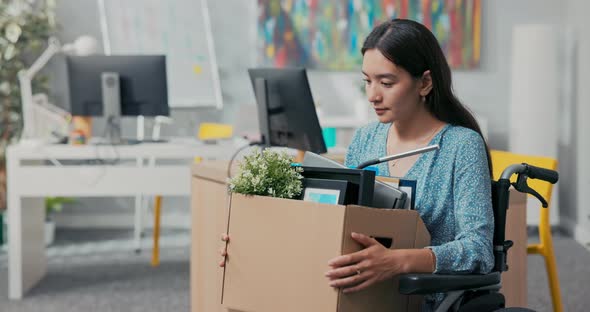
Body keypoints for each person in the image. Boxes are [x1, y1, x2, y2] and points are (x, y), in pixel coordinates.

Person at [221, 18, 493, 311]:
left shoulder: (461, 146)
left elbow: (478, 249)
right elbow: (335, 225)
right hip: (359, 292)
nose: (373, 95)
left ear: (424, 82)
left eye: (386, 83)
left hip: (422, 298)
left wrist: (397, 261)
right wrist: (254, 245)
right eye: (367, 81)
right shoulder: (365, 139)